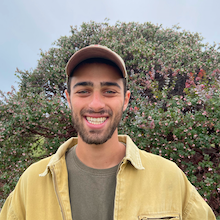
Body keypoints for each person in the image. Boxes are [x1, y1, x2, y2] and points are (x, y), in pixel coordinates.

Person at [0, 45, 216, 220]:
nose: (96, 104)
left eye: (109, 91)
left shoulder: (169, 177)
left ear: (125, 100)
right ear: (68, 99)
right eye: (83, 91)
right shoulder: (31, 183)